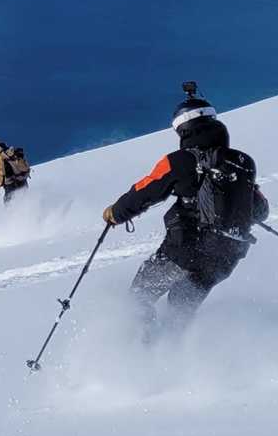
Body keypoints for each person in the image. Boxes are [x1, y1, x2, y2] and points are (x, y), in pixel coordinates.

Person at [103, 85, 268, 330]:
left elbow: (146, 190)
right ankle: (175, 352)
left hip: (185, 249)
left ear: (182, 129)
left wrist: (116, 212)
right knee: (180, 308)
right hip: (226, 255)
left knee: (139, 296)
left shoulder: (180, 160)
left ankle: (138, 350)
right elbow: (260, 210)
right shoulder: (242, 161)